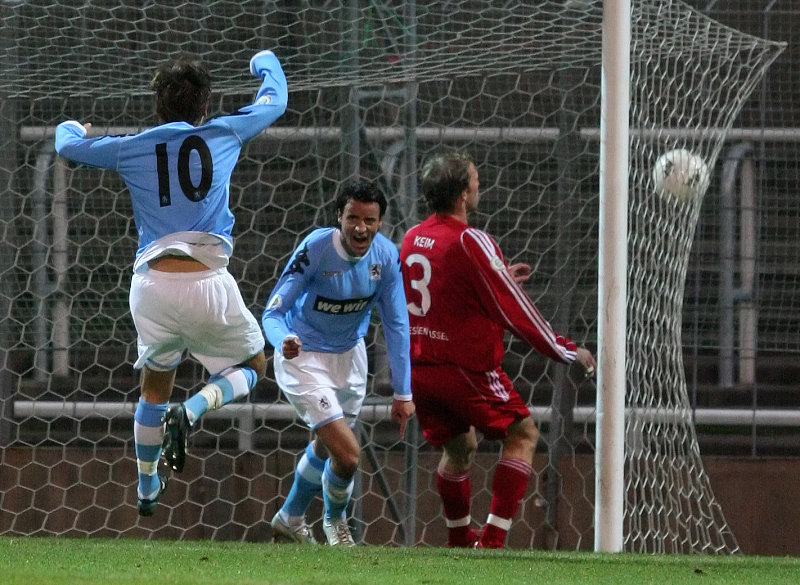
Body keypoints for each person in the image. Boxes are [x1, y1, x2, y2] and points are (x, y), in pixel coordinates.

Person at [54, 50, 288, 517]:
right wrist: (264, 62)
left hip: (152, 288)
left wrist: (73, 127)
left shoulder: (132, 146)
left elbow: (66, 146)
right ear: (205, 106)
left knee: (154, 385)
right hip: (206, 281)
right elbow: (275, 101)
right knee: (255, 364)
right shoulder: (224, 132)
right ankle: (195, 409)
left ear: (157, 106)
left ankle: (146, 488)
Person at [399, 150, 596, 549]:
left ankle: (459, 539)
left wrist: (498, 276)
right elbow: (515, 311)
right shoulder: (470, 239)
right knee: (523, 434)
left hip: (420, 368)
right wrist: (566, 350)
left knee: (460, 446)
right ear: (462, 195)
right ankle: (491, 541)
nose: (479, 186)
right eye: (475, 180)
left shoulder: (411, 236)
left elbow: (444, 288)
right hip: (465, 368)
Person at [262, 180, 415, 546]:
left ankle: (290, 517)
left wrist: (403, 392)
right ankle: (336, 523)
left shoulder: (386, 257)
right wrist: (282, 340)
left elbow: (396, 323)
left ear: (380, 222)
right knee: (347, 456)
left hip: (350, 358)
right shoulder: (316, 248)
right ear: (339, 217)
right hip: (304, 357)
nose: (360, 228)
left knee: (326, 443)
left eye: (369, 220)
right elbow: (273, 312)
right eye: (352, 218)